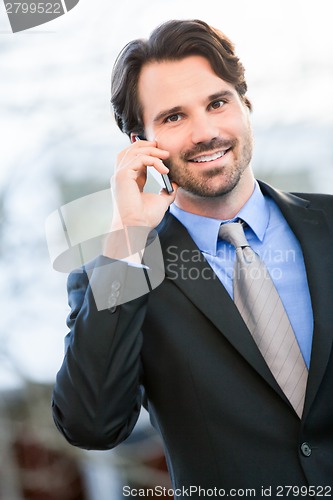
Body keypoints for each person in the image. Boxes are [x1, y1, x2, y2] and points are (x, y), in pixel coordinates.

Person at [52, 19, 333, 497]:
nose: (205, 132)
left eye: (217, 103)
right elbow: (92, 424)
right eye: (173, 117)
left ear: (245, 105)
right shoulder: (121, 268)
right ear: (141, 144)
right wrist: (128, 236)